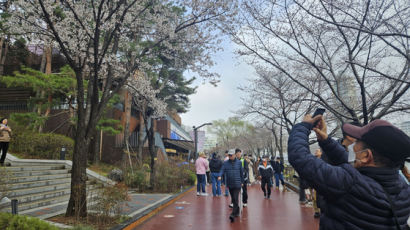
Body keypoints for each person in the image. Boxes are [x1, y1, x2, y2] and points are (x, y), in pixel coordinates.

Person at [288, 115, 410, 229]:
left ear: (367, 155)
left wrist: (303, 126)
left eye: (357, 142)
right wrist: (326, 141)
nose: (352, 145)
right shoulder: (403, 189)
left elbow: (300, 158)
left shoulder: (348, 183)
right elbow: (352, 162)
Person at [218, 150, 244, 223]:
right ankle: (237, 211)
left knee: (235, 198)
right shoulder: (225, 163)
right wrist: (220, 175)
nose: (230, 156)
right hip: (230, 184)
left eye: (231, 155)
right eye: (229, 155)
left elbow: (241, 173)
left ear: (235, 155)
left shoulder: (239, 163)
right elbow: (222, 170)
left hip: (237, 183)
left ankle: (232, 214)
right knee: (233, 199)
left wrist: (242, 182)